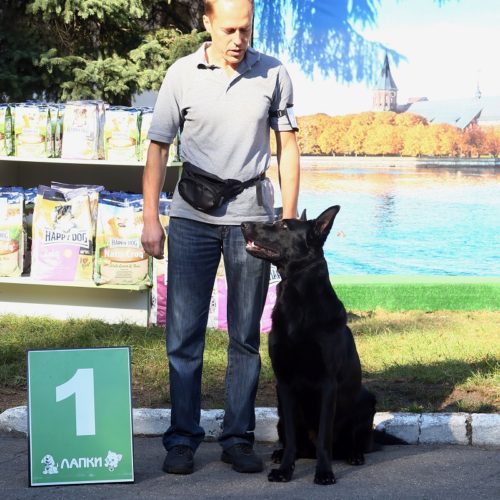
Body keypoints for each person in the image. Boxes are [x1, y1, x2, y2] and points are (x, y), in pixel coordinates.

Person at [141, 0, 300, 475]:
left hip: (253, 222)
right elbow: (158, 148)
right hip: (191, 218)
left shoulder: (273, 73)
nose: (238, 39)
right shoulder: (181, 75)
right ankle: (182, 439)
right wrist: (151, 218)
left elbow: (288, 146)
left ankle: (237, 438)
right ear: (207, 22)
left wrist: (289, 219)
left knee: (245, 336)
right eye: (229, 29)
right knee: (183, 336)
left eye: (245, 29)